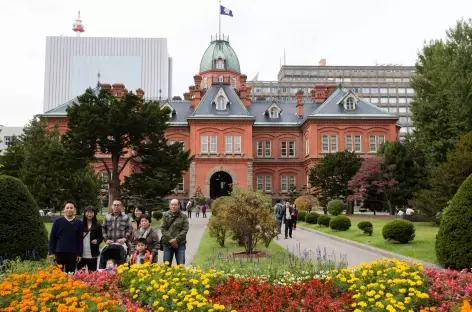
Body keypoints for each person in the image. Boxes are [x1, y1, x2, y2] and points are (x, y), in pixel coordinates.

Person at [49, 200, 83, 273]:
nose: (69, 209)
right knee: (58, 275)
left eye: (71, 208)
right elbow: (52, 238)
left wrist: (79, 254)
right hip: (59, 252)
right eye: (67, 208)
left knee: (70, 274)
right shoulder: (57, 221)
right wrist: (51, 252)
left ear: (74, 209)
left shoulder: (79, 223)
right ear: (64, 209)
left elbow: (80, 240)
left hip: (72, 253)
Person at [161, 198, 189, 266]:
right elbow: (163, 229)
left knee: (181, 265)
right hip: (167, 244)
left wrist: (176, 239)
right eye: (172, 205)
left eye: (175, 205)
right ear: (169, 206)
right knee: (166, 266)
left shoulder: (183, 216)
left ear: (179, 206)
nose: (173, 206)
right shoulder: (165, 215)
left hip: (180, 244)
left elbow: (185, 229)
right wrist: (171, 239)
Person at [78, 205, 103, 272]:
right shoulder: (80, 225)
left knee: (92, 275)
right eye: (87, 212)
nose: (89, 214)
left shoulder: (98, 226)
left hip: (92, 254)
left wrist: (97, 241)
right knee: (80, 274)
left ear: (94, 214)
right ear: (84, 213)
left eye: (91, 212)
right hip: (81, 255)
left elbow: (101, 238)